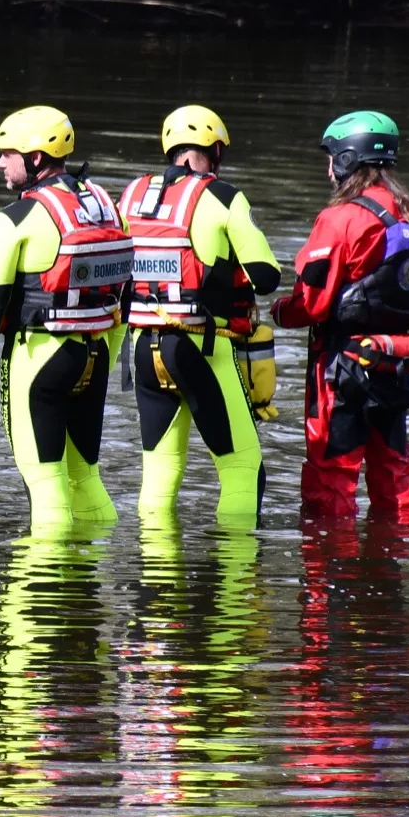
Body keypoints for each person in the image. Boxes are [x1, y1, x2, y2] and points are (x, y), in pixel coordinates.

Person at [0, 107, 130, 532]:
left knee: (46, 485)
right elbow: (124, 292)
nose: (0, 163)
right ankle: (93, 565)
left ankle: (43, 574)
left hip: (39, 360)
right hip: (96, 355)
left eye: (7, 154)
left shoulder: (14, 219)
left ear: (34, 157)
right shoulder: (105, 207)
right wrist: (108, 354)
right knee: (85, 479)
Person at [271, 111, 409, 525]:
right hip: (396, 363)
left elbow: (311, 305)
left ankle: (328, 560)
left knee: (330, 482)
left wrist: (278, 311)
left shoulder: (340, 219)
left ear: (348, 159)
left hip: (341, 369)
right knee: (396, 474)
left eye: (331, 158)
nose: (328, 169)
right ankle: (395, 556)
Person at [119, 105, 282, 528]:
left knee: (159, 474)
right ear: (213, 151)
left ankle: (155, 564)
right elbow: (266, 277)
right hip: (202, 348)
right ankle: (236, 563)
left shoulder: (132, 194)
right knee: (243, 470)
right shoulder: (224, 196)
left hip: (142, 349)